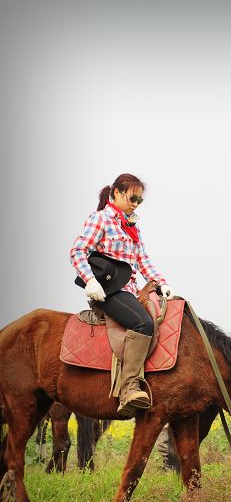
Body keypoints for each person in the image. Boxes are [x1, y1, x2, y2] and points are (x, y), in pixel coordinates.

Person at [70, 173, 174, 416]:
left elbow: (143, 260)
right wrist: (90, 280)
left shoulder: (132, 227)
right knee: (142, 323)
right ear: (116, 193)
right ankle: (129, 388)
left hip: (129, 290)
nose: (136, 204)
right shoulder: (101, 219)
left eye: (140, 200)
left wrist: (161, 283)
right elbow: (78, 250)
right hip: (108, 290)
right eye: (132, 198)